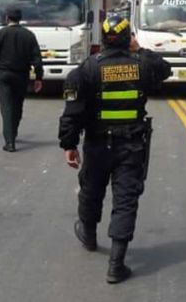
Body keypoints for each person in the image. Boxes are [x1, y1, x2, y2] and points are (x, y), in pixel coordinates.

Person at [58, 16, 171, 284]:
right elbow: (165, 69)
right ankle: (116, 265)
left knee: (90, 191)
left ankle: (88, 236)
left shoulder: (86, 69)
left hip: (97, 145)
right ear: (127, 38)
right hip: (131, 145)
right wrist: (139, 49)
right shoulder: (142, 64)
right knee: (125, 201)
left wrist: (69, 144)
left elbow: (71, 113)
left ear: (103, 38)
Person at [0, 8, 43, 152]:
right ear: (20, 18)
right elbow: (37, 58)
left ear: (7, 18)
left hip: (4, 74)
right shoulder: (28, 35)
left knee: (6, 106)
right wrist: (39, 77)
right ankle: (13, 133)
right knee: (17, 105)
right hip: (22, 75)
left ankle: (9, 141)